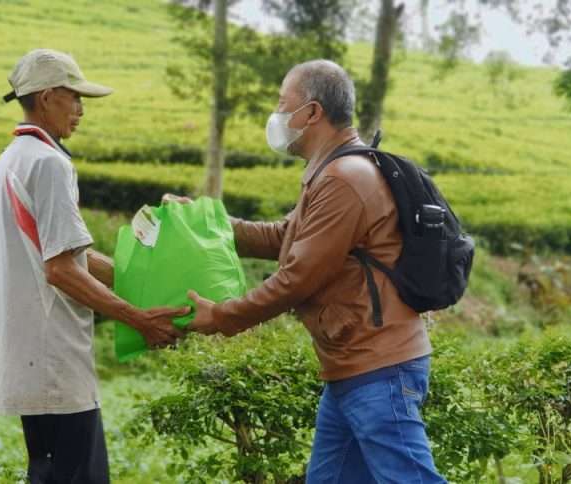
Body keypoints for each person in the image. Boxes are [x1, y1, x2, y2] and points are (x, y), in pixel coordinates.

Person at [181, 59, 447, 483]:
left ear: (312, 113)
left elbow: (298, 278)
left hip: (378, 369)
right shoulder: (331, 172)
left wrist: (222, 317)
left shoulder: (345, 179)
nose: (276, 115)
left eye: (282, 103)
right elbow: (283, 238)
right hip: (350, 369)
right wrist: (204, 222)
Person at [0, 49, 188, 484]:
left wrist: (144, 284)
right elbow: (61, 270)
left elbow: (69, 255)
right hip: (53, 356)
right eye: (75, 97)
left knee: (50, 471)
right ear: (49, 97)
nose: (80, 110)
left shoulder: (13, 159)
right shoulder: (50, 164)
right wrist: (139, 318)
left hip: (29, 353)